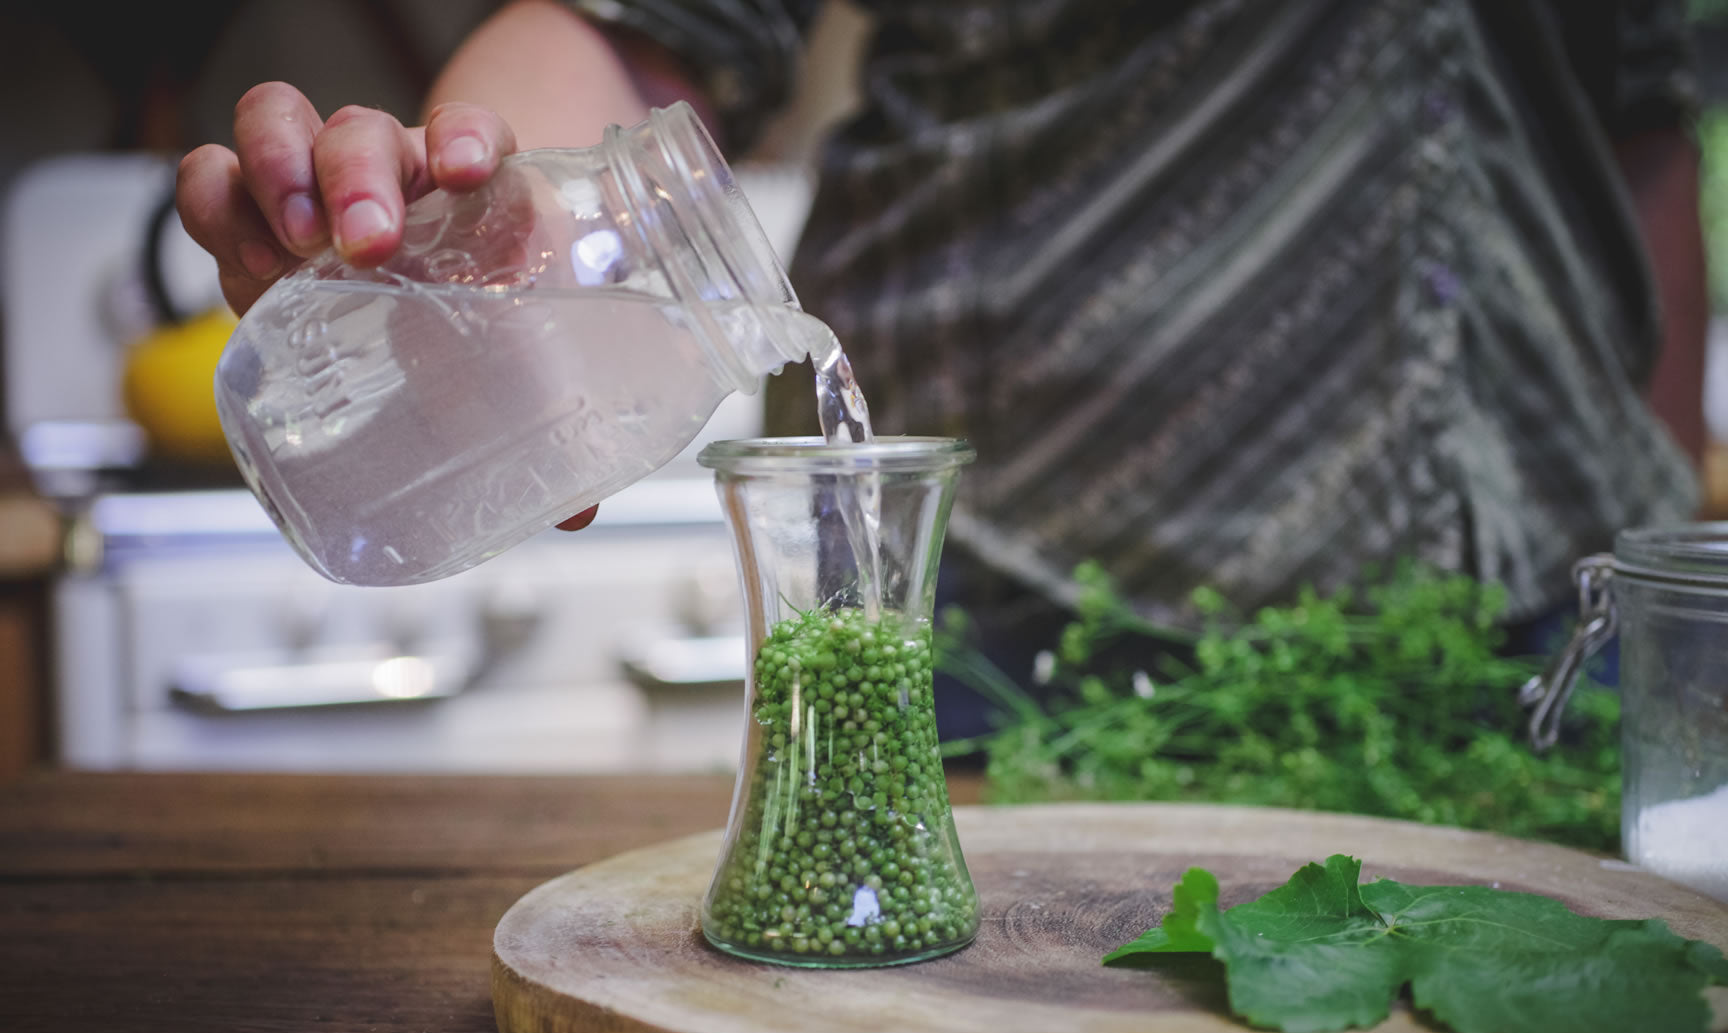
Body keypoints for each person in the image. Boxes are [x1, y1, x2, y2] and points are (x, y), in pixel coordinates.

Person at [178, 0, 1704, 650]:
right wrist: (482, 216)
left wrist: (1682, 493)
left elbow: (1640, 126)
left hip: (1559, 613)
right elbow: (638, 31)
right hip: (1035, 610)